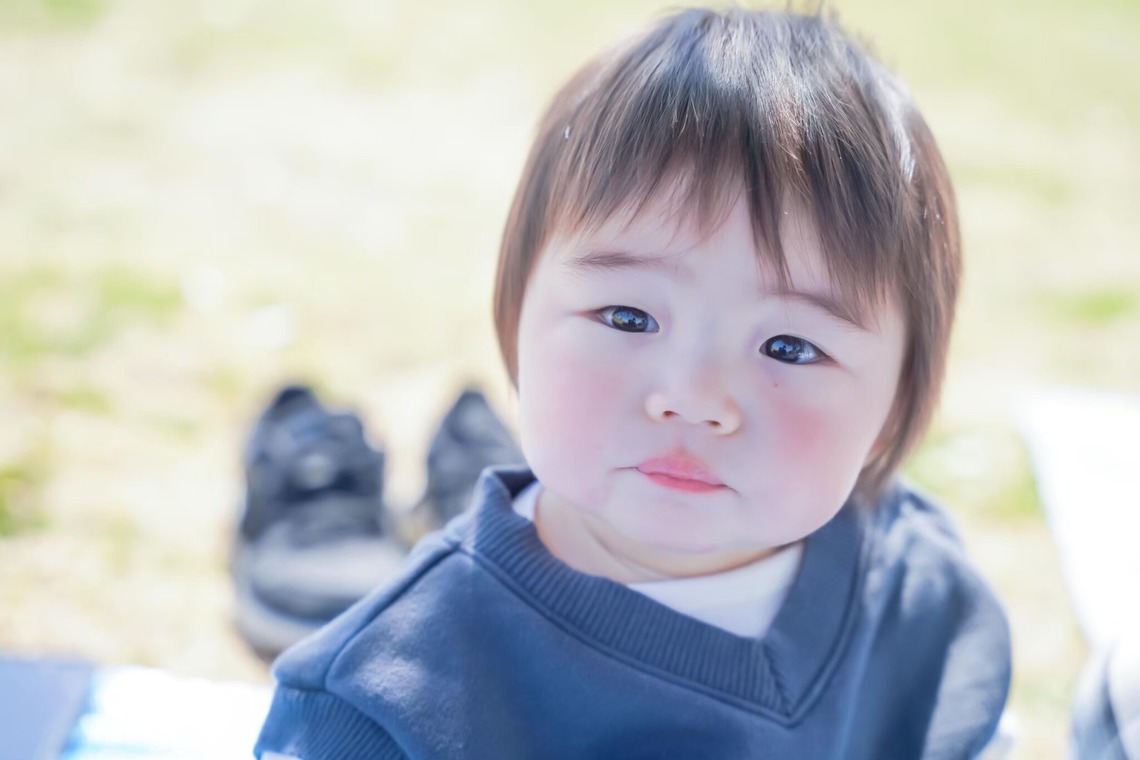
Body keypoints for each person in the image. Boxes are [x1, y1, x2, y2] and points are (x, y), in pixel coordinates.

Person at [255, 7, 1012, 759]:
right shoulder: (389, 706)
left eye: (788, 346)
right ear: (518, 321)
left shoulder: (916, 598)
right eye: (626, 317)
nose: (692, 397)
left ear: (893, 405)